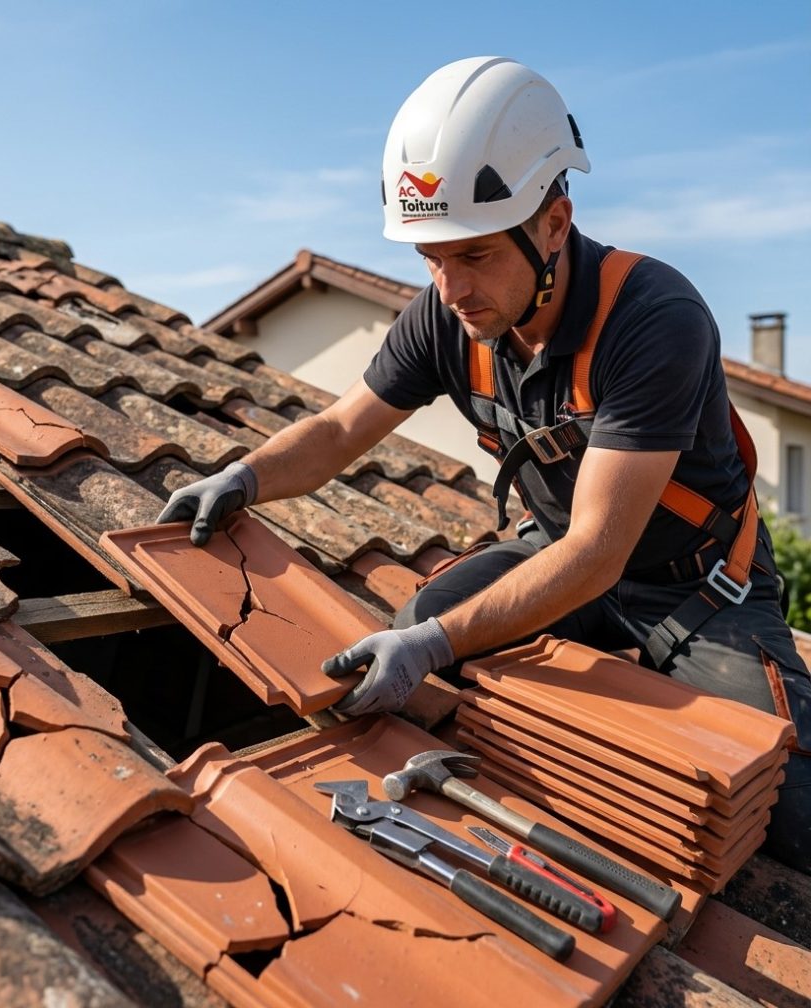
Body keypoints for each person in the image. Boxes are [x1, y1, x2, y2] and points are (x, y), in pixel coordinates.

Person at [158, 56, 810, 873]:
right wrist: (243, 477)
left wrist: (438, 643)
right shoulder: (446, 314)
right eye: (431, 257)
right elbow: (339, 429)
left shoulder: (654, 318)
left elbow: (599, 554)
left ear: (554, 223)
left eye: (472, 256)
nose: (449, 286)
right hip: (561, 548)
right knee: (408, 640)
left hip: (698, 584)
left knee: (786, 812)